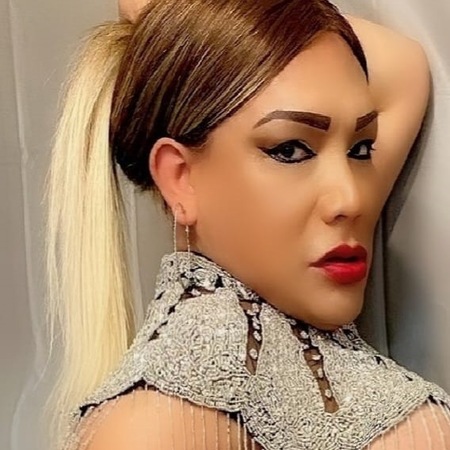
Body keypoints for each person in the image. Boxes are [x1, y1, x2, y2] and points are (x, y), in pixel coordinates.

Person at [43, 0, 450, 449]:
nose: (352, 199)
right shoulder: (156, 425)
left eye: (361, 149)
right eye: (290, 150)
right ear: (181, 179)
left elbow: (402, 66)